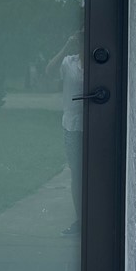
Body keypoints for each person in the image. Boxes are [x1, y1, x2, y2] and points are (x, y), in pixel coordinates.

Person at [45, 31, 84, 235]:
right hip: (72, 126)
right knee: (77, 173)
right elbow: (49, 72)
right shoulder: (69, 62)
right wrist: (66, 46)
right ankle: (80, 220)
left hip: (96, 126)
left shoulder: (100, 61)